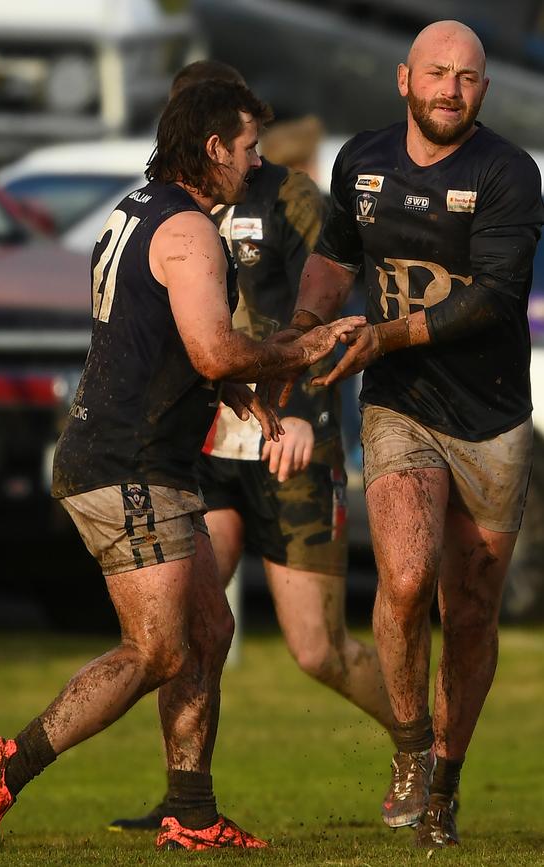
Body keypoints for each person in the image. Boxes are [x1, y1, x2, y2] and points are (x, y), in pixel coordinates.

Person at [0, 78, 364, 852]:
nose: (254, 163)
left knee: (208, 629)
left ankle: (192, 811)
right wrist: (296, 348)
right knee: (160, 649)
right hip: (127, 466)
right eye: (245, 148)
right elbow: (211, 346)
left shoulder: (138, 207)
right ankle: (8, 763)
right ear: (212, 149)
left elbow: (164, 338)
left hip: (140, 460)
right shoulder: (190, 232)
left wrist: (242, 390)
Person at [108, 59, 394, 833]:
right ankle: (186, 798)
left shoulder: (291, 197)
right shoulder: (170, 211)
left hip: (292, 436)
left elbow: (338, 301)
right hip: (207, 448)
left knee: (316, 649)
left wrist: (304, 410)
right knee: (189, 630)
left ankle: (423, 748)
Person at [277, 20, 543, 848]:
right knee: (404, 579)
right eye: (436, 73)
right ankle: (407, 748)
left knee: (469, 613)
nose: (450, 89)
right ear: (404, 79)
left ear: (484, 92)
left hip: (494, 418)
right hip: (400, 405)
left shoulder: (507, 172)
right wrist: (307, 326)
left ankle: (447, 782)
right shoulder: (360, 160)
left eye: (466, 78)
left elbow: (494, 298)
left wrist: (380, 335)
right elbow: (335, 257)